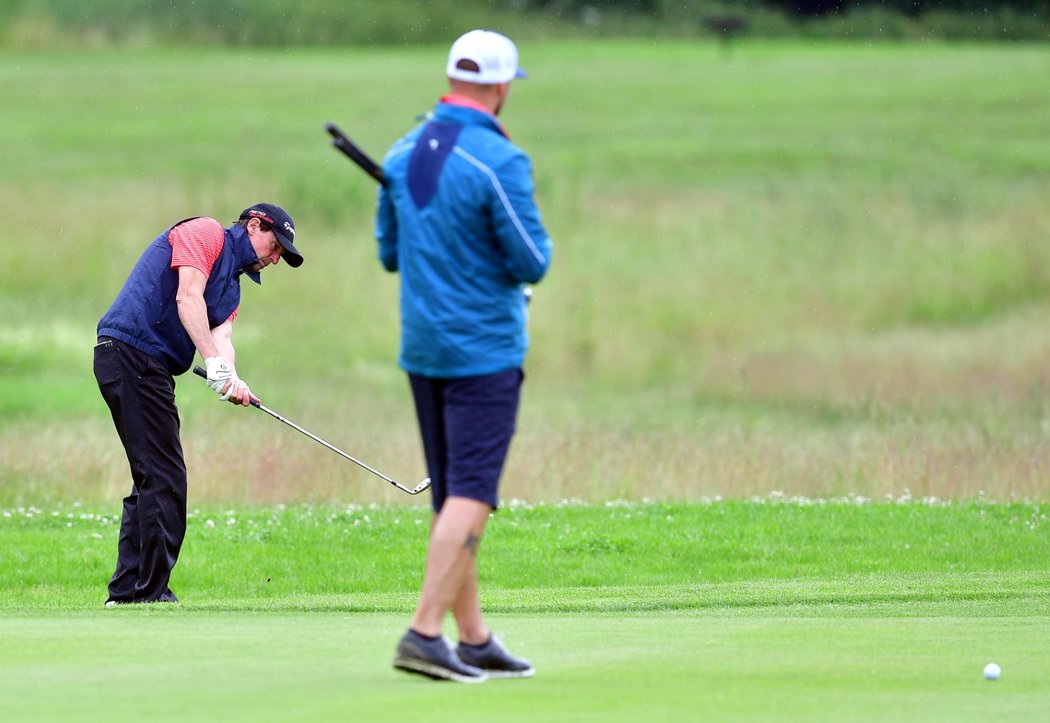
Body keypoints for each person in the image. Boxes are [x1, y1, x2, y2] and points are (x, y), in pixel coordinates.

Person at [374, 29, 553, 682]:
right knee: (473, 493)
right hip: (483, 351)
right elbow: (533, 259)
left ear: (452, 79)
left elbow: (390, 253)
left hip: (423, 348)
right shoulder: (499, 160)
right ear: (502, 87)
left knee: (452, 495)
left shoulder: (401, 153)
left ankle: (472, 637)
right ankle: (425, 632)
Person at [94, 203, 303, 605]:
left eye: (280, 255)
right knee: (165, 477)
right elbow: (187, 298)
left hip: (147, 367)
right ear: (254, 225)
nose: (274, 259)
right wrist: (212, 363)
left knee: (153, 477)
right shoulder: (205, 233)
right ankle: (147, 594)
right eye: (275, 246)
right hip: (129, 353)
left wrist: (233, 379)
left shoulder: (233, 288)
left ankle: (127, 592)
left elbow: (222, 339)